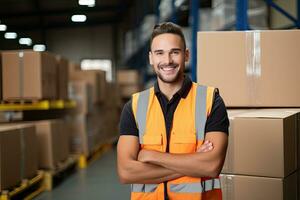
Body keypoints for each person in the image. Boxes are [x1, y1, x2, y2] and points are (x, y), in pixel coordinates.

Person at [117, 22, 229, 200]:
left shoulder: (211, 101)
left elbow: (211, 166)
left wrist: (150, 155)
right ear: (151, 58)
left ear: (186, 55)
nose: (167, 61)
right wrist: (193, 162)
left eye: (174, 52)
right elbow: (126, 172)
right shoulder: (134, 106)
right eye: (159, 53)